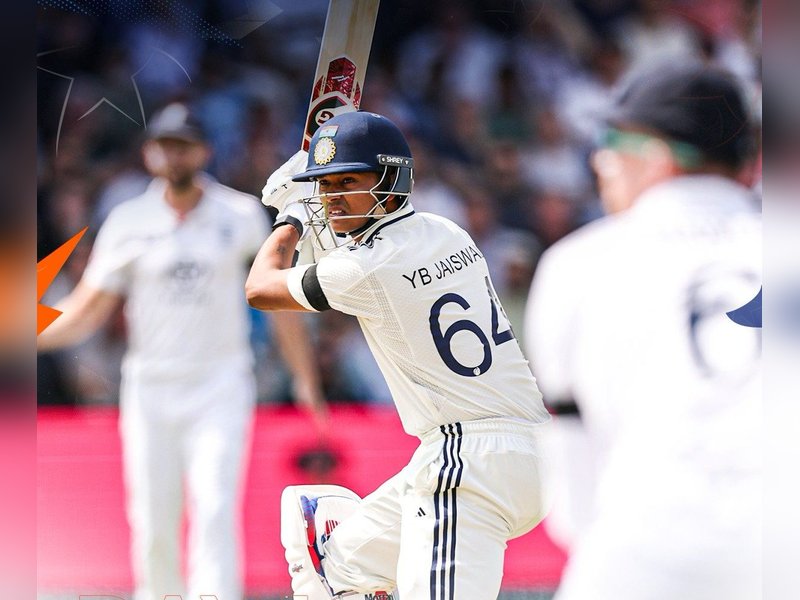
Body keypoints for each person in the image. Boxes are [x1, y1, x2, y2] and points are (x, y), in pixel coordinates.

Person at [245, 110, 552, 599]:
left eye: (348, 181)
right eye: (323, 185)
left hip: (464, 461)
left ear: (390, 179)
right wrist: (320, 213)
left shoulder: (366, 270)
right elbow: (351, 262)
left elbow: (260, 289)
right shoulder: (447, 232)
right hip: (522, 450)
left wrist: (291, 219)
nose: (331, 197)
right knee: (335, 568)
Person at [37, 102, 327, 600]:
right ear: (150, 153)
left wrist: (305, 379)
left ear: (204, 151)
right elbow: (88, 308)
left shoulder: (238, 215)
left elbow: (275, 301)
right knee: (152, 515)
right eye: (164, 145)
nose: (174, 155)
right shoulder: (129, 220)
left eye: (184, 145)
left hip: (220, 383)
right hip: (150, 387)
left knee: (214, 506)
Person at [524, 63, 761, 600]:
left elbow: (573, 473)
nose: (599, 160)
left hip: (646, 549)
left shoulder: (578, 264)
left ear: (655, 157)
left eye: (610, 141)